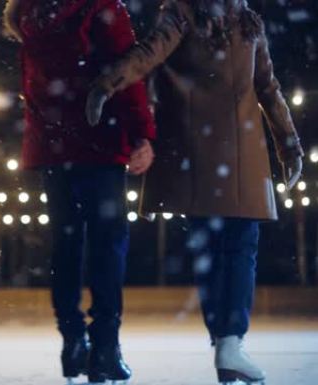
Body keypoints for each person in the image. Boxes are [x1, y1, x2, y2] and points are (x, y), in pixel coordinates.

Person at [85, 0, 304, 383]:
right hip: (222, 157)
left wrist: (289, 144)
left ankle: (226, 341)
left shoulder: (227, 18)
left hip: (210, 159)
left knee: (221, 250)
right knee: (234, 249)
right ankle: (229, 342)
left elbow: (266, 84)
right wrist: (107, 83)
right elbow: (149, 54)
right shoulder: (203, 16)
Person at [3, 0, 157, 383]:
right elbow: (126, 73)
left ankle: (72, 338)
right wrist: (142, 133)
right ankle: (105, 345)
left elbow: (32, 87)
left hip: (53, 149)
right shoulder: (101, 9)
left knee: (66, 243)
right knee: (108, 242)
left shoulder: (29, 13)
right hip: (100, 143)